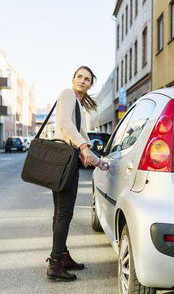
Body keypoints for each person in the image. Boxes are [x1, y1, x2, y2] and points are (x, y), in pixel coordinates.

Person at [46, 66, 109, 282]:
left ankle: (62, 256)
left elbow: (80, 135)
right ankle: (55, 264)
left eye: (87, 79)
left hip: (68, 159)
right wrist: (83, 147)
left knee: (60, 214)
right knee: (64, 214)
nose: (82, 81)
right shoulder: (67, 94)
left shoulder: (79, 104)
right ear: (73, 79)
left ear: (91, 84)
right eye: (79, 77)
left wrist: (99, 162)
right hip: (65, 160)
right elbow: (64, 124)